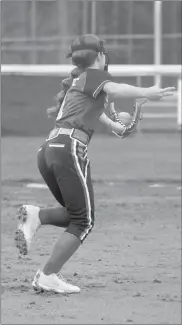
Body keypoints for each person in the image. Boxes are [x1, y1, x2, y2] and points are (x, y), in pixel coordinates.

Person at [15, 34, 175, 294]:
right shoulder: (94, 76)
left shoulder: (79, 84)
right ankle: (47, 275)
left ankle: (37, 215)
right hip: (69, 149)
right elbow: (116, 88)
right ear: (100, 56)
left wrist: (124, 126)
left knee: (75, 212)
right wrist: (146, 92)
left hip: (48, 150)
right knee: (83, 221)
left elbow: (113, 125)